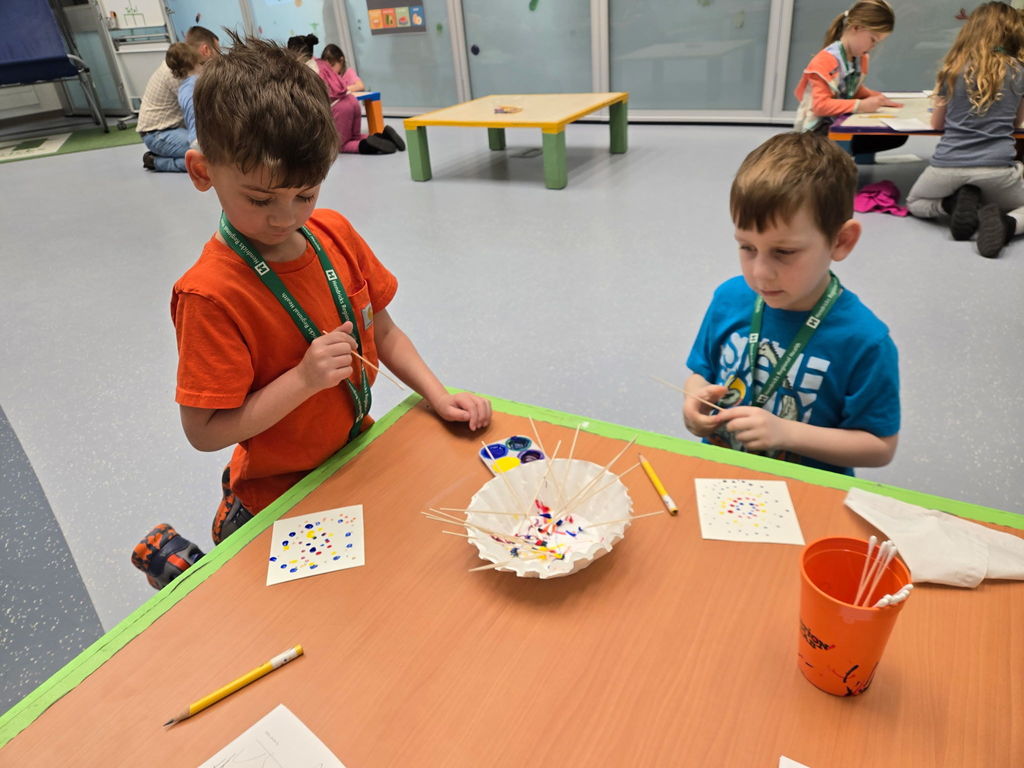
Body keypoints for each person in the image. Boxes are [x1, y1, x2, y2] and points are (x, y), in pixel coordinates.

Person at [132, 35, 491, 589]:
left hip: (353, 455)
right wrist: (302, 379)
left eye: (305, 193)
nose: (285, 217)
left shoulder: (335, 234)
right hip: (276, 494)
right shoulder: (209, 295)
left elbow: (385, 331)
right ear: (203, 171)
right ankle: (189, 563)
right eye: (259, 199)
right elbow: (203, 432)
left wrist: (437, 395)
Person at [683, 131, 899, 476]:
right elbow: (700, 373)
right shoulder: (729, 298)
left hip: (806, 493)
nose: (760, 273)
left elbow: (879, 447)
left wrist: (787, 433)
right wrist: (694, 401)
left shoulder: (865, 341)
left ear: (841, 242)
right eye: (747, 247)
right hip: (721, 476)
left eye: (784, 252)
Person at [905, 2, 1024, 259]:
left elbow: (937, 124)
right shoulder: (1019, 71)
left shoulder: (951, 70)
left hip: (947, 165)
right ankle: (1007, 224)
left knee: (915, 203)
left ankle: (952, 204)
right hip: (997, 169)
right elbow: (1016, 125)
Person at [793, 0, 905, 163]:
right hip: (816, 135)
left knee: (896, 136)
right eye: (873, 40)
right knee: (892, 137)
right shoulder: (826, 61)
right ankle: (833, 163)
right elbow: (820, 106)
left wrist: (879, 99)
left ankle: (846, 159)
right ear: (857, 28)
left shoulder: (860, 58)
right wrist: (860, 106)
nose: (874, 46)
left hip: (840, 120)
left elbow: (854, 90)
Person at [137, 26, 219, 172]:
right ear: (206, 50)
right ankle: (157, 162)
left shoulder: (186, 66)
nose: (219, 57)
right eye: (217, 51)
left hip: (172, 129)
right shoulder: (182, 74)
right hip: (158, 134)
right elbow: (196, 112)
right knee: (211, 157)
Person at [315, 43, 405, 154]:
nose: (331, 70)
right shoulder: (329, 74)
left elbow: (359, 85)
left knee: (342, 145)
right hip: (353, 102)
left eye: (333, 65)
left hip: (342, 108)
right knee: (355, 136)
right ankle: (384, 136)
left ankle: (369, 147)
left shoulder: (324, 72)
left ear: (341, 60)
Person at [164, 42, 202, 146]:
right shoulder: (195, 85)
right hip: (200, 140)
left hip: (194, 138)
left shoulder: (183, 88)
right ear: (194, 61)